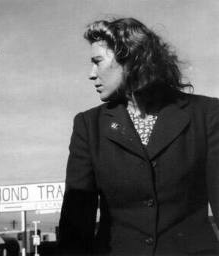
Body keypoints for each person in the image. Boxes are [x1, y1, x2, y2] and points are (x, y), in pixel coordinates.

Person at [58, 17, 219, 255]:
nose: (91, 74)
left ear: (130, 59)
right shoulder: (88, 126)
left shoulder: (207, 114)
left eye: (97, 62)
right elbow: (76, 224)